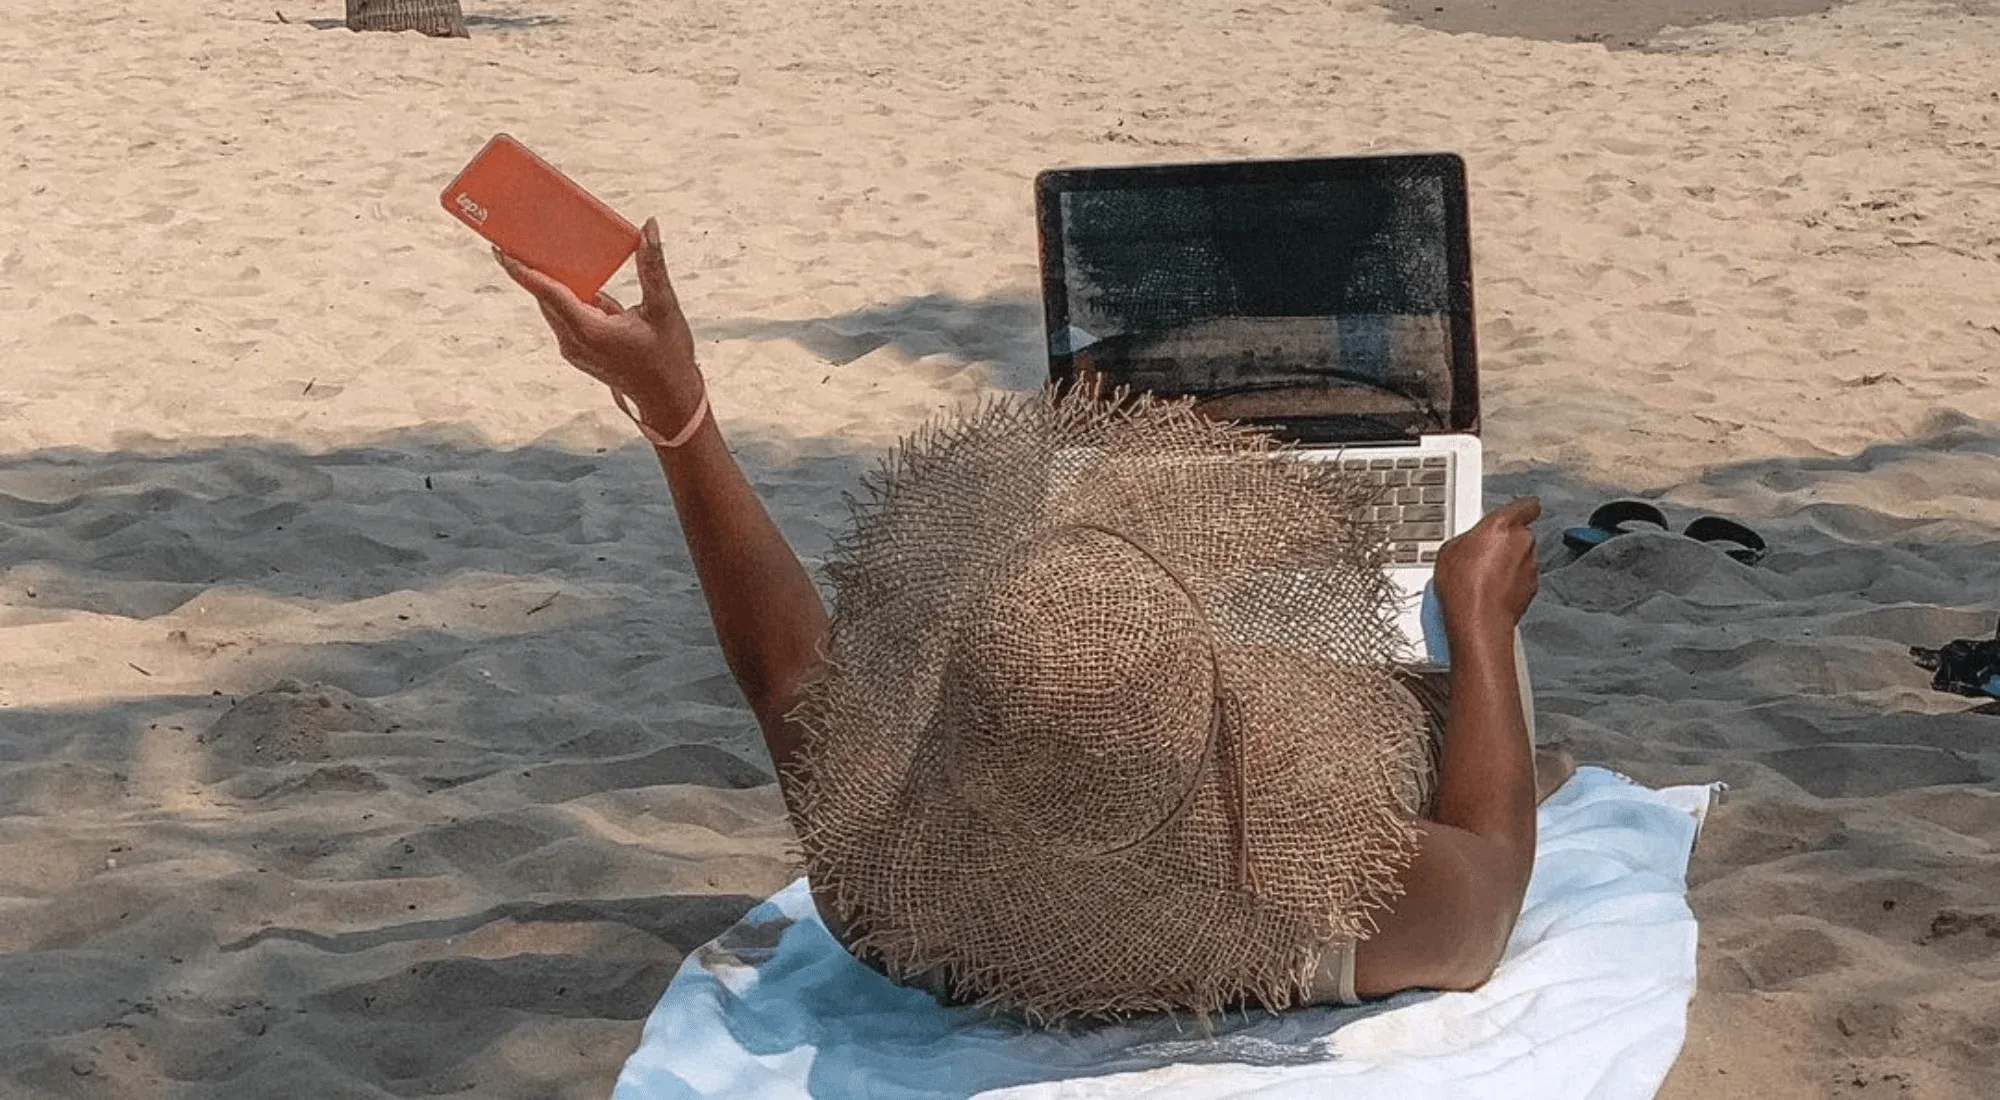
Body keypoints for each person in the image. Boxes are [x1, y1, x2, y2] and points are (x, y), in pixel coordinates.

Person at [495, 222, 1563, 1017]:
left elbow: (784, 674)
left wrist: (674, 410)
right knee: (1432, 671)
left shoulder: (893, 915)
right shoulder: (1334, 912)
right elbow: (1491, 866)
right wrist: (1476, 615)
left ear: (949, 740)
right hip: (1285, 830)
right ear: (1244, 755)